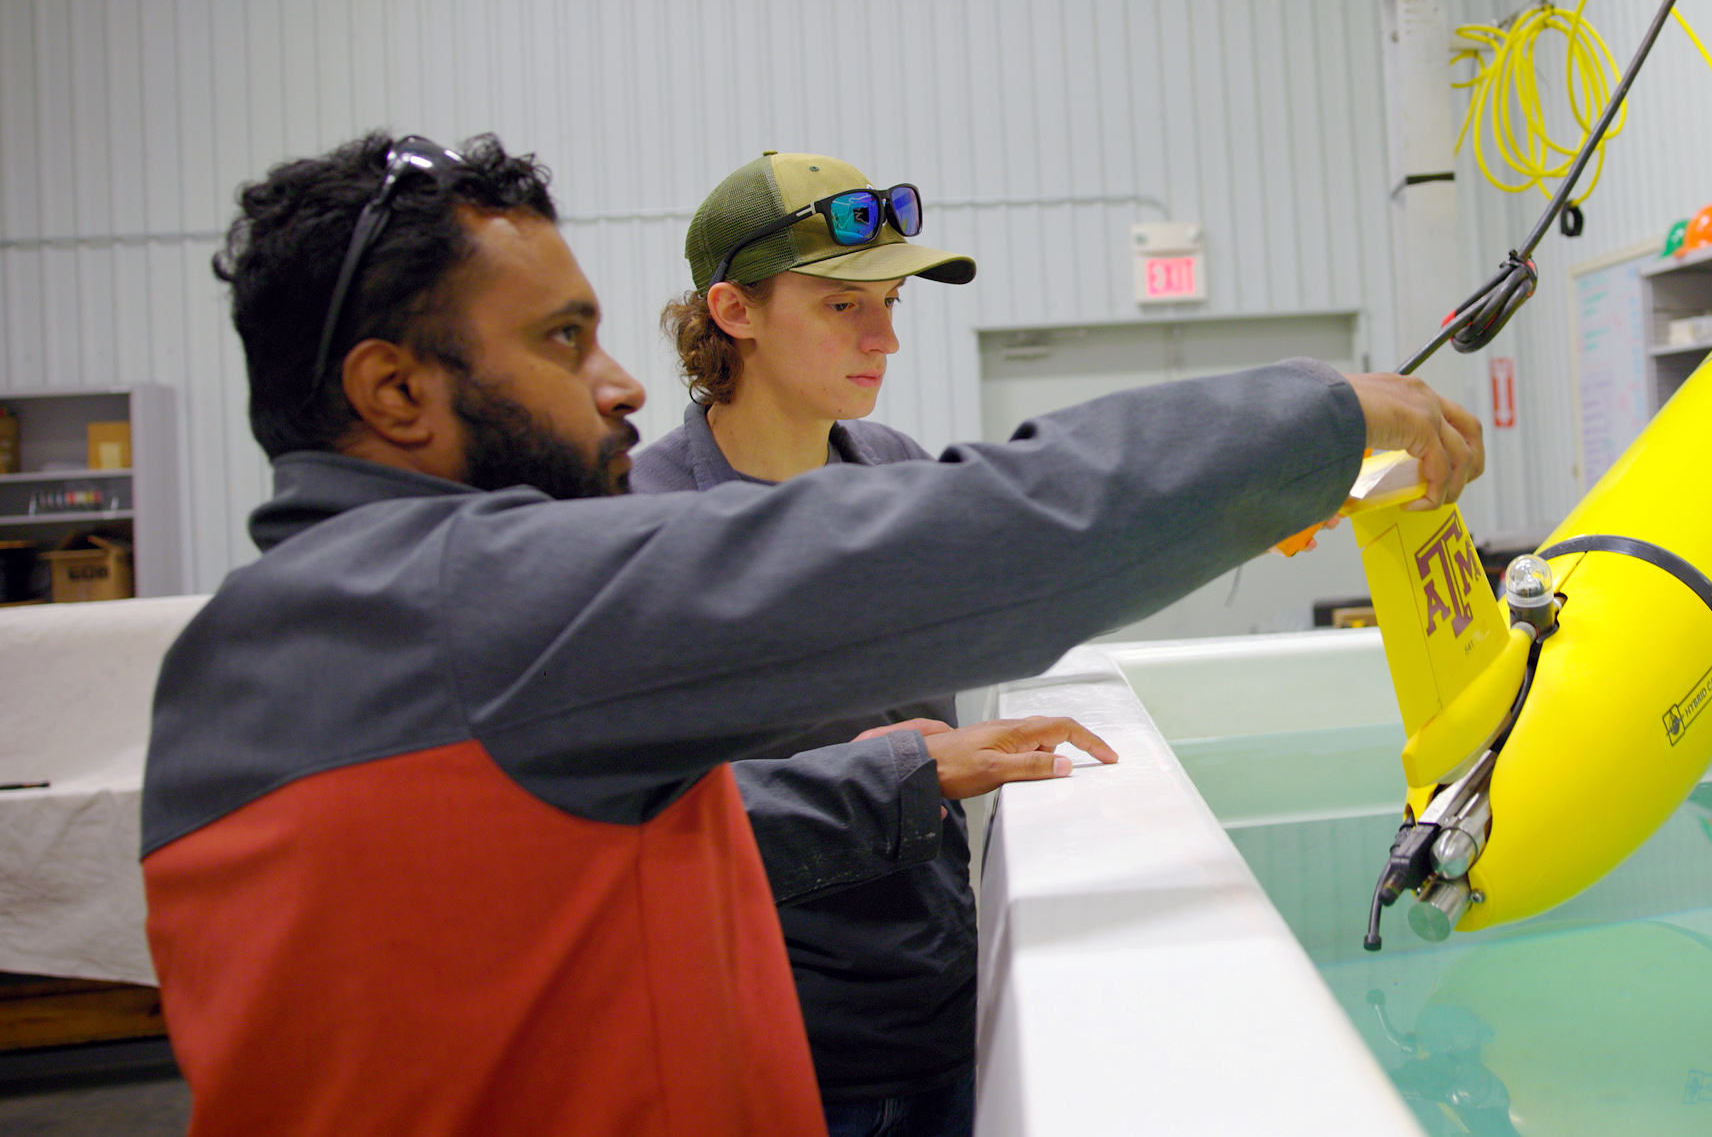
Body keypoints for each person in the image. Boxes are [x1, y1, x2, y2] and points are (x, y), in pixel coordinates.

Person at [143, 131, 1482, 1137]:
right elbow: (996, 535)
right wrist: (1322, 420)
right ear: (392, 389)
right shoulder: (466, 607)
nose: (614, 387)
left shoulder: (277, 644)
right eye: (561, 343)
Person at [635, 152, 1092, 1137]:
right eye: (843, 305)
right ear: (734, 311)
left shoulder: (891, 469)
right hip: (778, 1049)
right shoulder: (635, 525)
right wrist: (905, 774)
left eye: (889, 301)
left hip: (943, 1013)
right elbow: (637, 821)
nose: (884, 338)